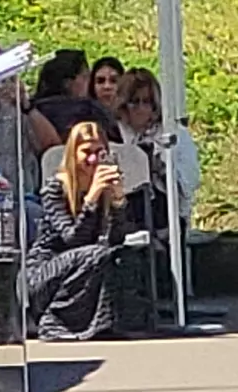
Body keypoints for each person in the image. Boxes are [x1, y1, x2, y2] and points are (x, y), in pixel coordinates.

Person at [22, 119, 153, 340]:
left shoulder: (105, 187)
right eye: (86, 152)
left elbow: (115, 240)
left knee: (122, 256)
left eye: (99, 151)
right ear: (74, 154)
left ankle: (106, 323)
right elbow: (73, 239)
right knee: (96, 254)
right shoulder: (54, 189)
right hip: (46, 272)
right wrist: (91, 198)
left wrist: (118, 201)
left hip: (87, 260)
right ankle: (54, 321)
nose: (92, 159)